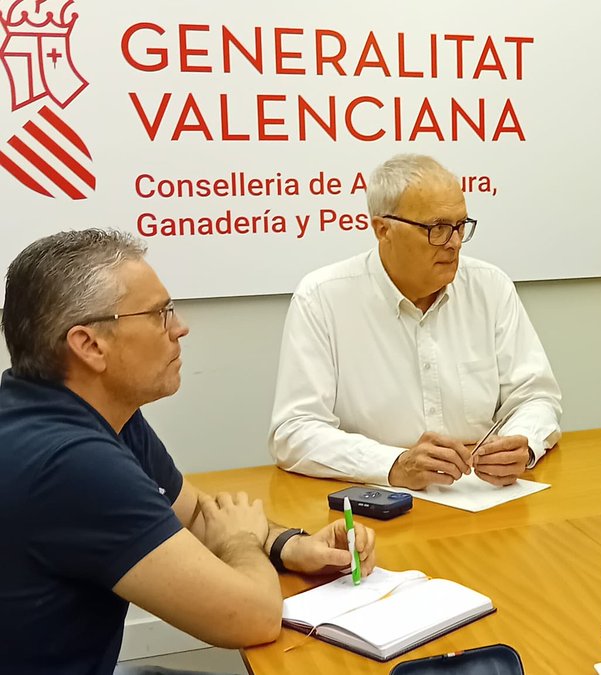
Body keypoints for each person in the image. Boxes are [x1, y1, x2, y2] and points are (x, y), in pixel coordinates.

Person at [0, 230, 378, 674]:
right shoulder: (71, 463)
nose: (180, 328)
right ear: (89, 345)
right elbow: (253, 618)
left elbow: (196, 512)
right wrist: (241, 543)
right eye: (160, 314)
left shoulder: (83, 410)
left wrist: (288, 545)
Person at [270, 154, 562, 489]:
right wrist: (392, 464)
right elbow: (294, 430)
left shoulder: (489, 286)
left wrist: (521, 443)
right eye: (437, 229)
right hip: (378, 505)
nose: (453, 243)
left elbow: (536, 396)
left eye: (460, 226)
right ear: (383, 230)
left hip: (484, 495)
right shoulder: (322, 297)